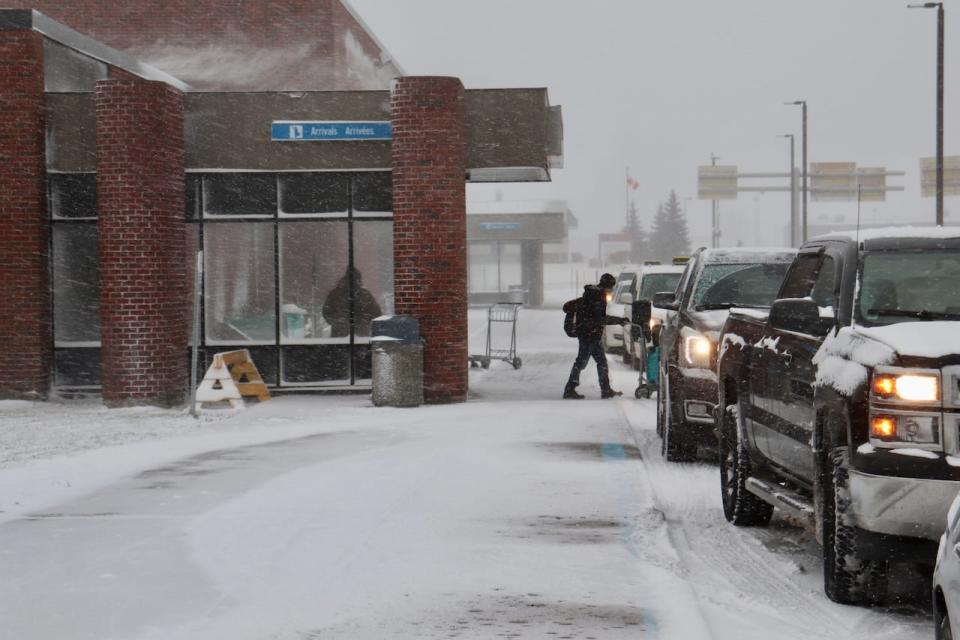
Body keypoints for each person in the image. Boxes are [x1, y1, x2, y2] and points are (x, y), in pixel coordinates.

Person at [563, 273, 629, 399]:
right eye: (611, 287)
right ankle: (569, 389)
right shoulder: (598, 297)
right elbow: (600, 319)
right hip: (589, 335)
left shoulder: (593, 294)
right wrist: (619, 320)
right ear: (608, 286)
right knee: (581, 362)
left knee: (601, 362)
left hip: (591, 334)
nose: (611, 290)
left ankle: (606, 390)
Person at [322, 266, 382, 337]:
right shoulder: (365, 295)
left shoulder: (335, 293)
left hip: (340, 334)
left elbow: (326, 312)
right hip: (360, 334)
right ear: (358, 279)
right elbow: (376, 313)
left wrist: (337, 322)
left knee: (341, 346)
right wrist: (364, 321)